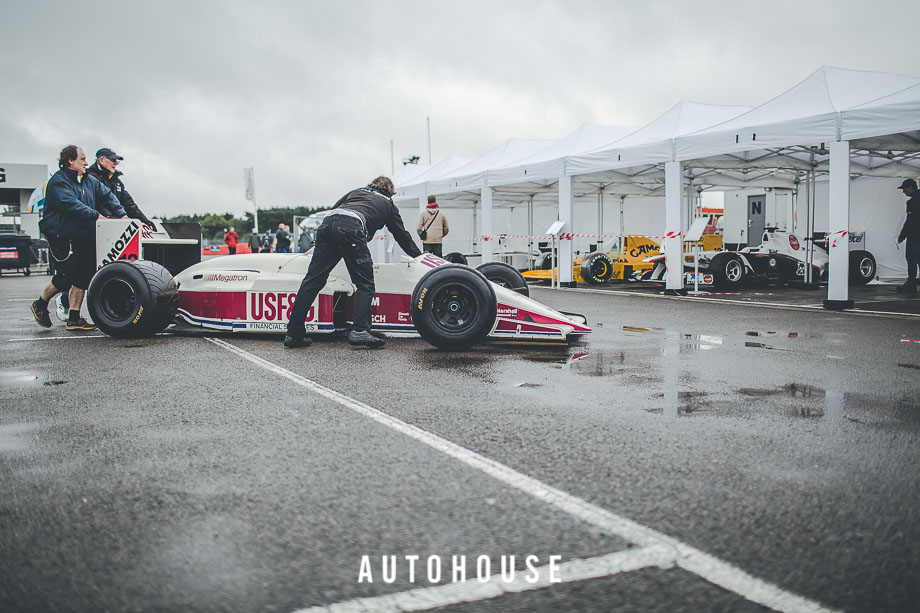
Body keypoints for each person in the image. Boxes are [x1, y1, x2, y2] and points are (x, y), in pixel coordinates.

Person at [284, 176, 421, 349]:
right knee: (365, 283)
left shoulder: (356, 192)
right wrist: (418, 256)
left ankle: (293, 333)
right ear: (390, 192)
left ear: (372, 185)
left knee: (313, 280)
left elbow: (336, 211)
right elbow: (401, 235)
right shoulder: (388, 203)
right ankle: (360, 330)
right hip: (351, 227)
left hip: (327, 225)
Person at [30, 145, 125, 331]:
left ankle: (74, 318)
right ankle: (40, 304)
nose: (86, 162)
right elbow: (71, 205)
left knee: (83, 275)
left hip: (84, 233)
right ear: (70, 161)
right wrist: (96, 215)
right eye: (82, 159)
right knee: (66, 276)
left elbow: (107, 195)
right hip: (62, 236)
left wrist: (122, 215)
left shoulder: (88, 180)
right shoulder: (58, 182)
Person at [86, 148, 155, 230]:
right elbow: (96, 202)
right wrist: (113, 218)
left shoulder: (116, 181)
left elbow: (129, 204)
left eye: (117, 161)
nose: (115, 163)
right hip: (95, 226)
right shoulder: (90, 178)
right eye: (113, 160)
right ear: (101, 160)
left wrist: (144, 220)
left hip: (115, 224)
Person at [896, 178, 920, 294]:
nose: (903, 191)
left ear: (910, 187)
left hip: (915, 235)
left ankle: (911, 284)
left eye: (904, 188)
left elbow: (911, 221)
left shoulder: (913, 202)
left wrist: (902, 235)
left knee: (911, 258)